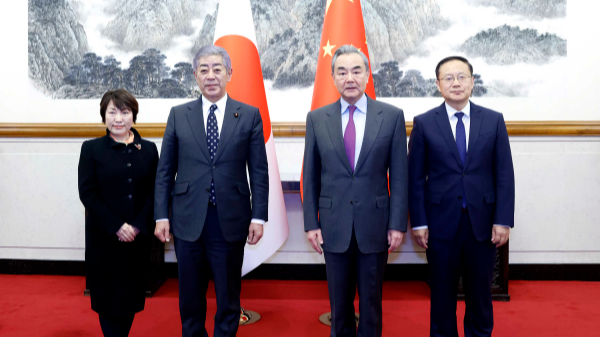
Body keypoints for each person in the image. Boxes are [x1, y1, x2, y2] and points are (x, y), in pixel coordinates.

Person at [154, 45, 269, 337]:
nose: (211, 75)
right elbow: (165, 170)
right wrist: (160, 215)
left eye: (217, 69)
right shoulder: (179, 115)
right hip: (187, 219)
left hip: (230, 220)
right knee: (190, 298)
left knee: (228, 298)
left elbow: (258, 171)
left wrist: (259, 217)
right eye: (203, 70)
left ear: (229, 73)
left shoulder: (249, 115)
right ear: (195, 76)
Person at [303, 45, 408, 337]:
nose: (350, 77)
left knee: (372, 305)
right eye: (342, 71)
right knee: (339, 306)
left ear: (367, 74)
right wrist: (311, 223)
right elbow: (310, 176)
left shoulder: (391, 116)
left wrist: (398, 223)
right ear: (333, 77)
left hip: (374, 226)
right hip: (333, 226)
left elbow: (399, 176)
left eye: (356, 70)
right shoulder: (317, 119)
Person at [407, 56, 515, 337]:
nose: (456, 83)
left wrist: (503, 220)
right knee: (441, 296)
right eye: (448, 78)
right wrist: (418, 222)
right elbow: (415, 179)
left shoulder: (493, 120)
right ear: (438, 84)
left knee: (480, 296)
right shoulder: (424, 123)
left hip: (482, 224)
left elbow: (504, 175)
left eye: (462, 77)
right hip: (440, 226)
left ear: (472, 82)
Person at [78, 89, 159, 337]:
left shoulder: (148, 149)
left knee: (131, 298)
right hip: (105, 239)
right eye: (112, 112)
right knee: (107, 300)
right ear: (104, 116)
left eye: (125, 112)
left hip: (137, 238)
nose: (118, 118)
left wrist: (135, 225)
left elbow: (155, 193)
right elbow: (87, 194)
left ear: (133, 116)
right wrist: (117, 226)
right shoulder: (91, 149)